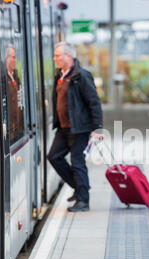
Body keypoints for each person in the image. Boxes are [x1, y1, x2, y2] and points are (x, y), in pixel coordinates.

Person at [47, 42, 104, 212]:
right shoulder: (61, 75)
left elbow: (94, 102)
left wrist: (97, 128)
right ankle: (80, 189)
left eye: (58, 55)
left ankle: (83, 201)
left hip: (80, 128)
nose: (55, 59)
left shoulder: (81, 76)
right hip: (64, 128)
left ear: (69, 56)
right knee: (53, 156)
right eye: (55, 56)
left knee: (77, 162)